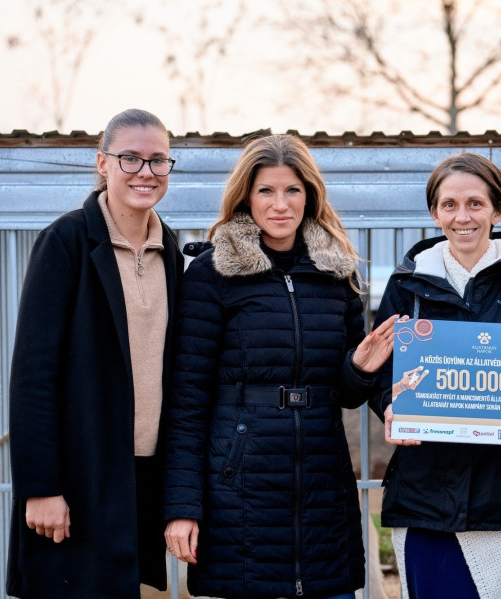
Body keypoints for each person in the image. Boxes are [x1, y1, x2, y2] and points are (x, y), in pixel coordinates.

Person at [162, 134, 396, 599]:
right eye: (266, 190)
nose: (280, 204)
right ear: (246, 197)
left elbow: (347, 394)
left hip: (323, 485)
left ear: (310, 195)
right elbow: (187, 402)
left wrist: (361, 369)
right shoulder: (212, 274)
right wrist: (182, 507)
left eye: (292, 190)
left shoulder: (338, 274)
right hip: (239, 491)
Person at [371, 152, 501, 599]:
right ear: (435, 213)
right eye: (449, 205)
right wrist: (389, 405)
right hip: (424, 495)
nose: (462, 217)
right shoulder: (405, 285)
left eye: (475, 204)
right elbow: (380, 371)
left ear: (498, 210)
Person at [7, 109, 183, 598]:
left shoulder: (169, 249)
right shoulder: (65, 241)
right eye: (130, 158)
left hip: (142, 477)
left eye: (158, 160)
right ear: (102, 163)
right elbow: (33, 375)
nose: (146, 172)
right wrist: (41, 488)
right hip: (79, 477)